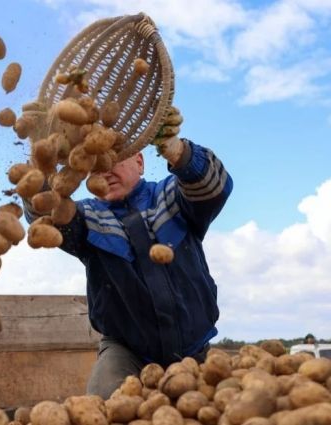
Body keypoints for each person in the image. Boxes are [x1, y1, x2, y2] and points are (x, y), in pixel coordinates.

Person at [22, 106, 233, 400]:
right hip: (125, 351)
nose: (105, 171)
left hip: (193, 348)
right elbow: (45, 219)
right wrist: (41, 163)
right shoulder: (86, 217)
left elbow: (214, 188)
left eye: (115, 159)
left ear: (140, 161)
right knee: (104, 402)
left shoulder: (172, 196)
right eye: (95, 165)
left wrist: (178, 152)